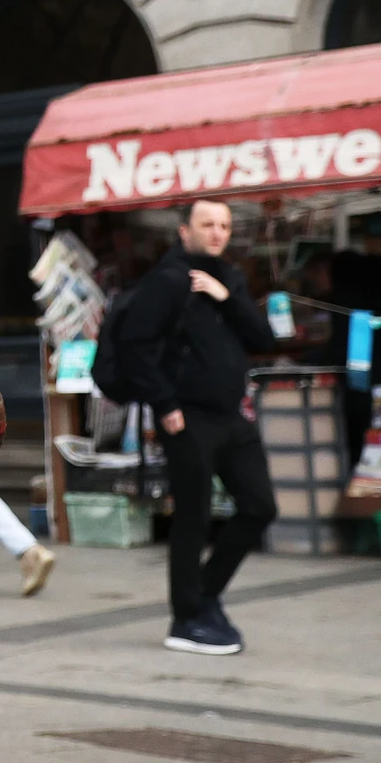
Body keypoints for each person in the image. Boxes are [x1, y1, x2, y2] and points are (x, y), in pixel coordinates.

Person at [113, 198, 278, 654]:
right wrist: (166, 405)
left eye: (224, 225)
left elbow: (263, 339)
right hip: (187, 417)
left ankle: (205, 595)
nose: (217, 232)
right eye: (207, 224)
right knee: (193, 517)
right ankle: (186, 619)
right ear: (184, 231)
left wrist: (228, 298)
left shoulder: (230, 278)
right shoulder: (167, 280)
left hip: (230, 416)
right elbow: (134, 345)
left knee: (259, 505)